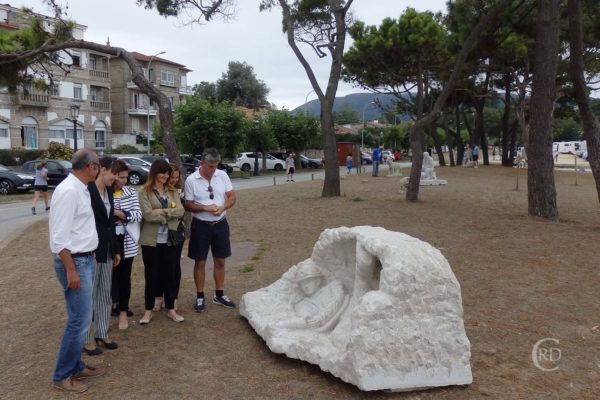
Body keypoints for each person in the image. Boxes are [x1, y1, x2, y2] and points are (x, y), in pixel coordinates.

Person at [49, 149, 104, 393]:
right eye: (99, 164)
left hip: (84, 260)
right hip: (75, 263)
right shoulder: (68, 191)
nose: (100, 168)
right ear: (91, 166)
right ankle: (62, 375)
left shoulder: (80, 188)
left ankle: (76, 365)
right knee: (79, 321)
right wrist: (71, 270)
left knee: (82, 317)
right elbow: (59, 239)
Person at [184, 148, 237, 312]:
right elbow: (188, 204)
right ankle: (200, 296)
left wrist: (223, 207)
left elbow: (232, 197)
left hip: (220, 223)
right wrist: (205, 208)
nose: (213, 169)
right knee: (200, 261)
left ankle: (219, 294)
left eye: (215, 166)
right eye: (210, 166)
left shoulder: (222, 175)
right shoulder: (191, 180)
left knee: (220, 260)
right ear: (202, 163)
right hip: (200, 225)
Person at [138, 159, 185, 324]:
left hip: (170, 240)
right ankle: (148, 311)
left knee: (170, 275)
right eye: (162, 172)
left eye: (167, 173)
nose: (165, 176)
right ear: (154, 173)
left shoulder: (172, 191)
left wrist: (163, 211)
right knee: (152, 276)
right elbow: (148, 215)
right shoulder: (144, 191)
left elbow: (181, 211)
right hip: (151, 242)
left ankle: (171, 309)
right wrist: (168, 214)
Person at [84, 157, 120, 356]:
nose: (115, 178)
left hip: (107, 249)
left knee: (105, 293)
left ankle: (102, 331)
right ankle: (87, 337)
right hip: (90, 250)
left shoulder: (109, 192)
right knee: (89, 295)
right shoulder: (87, 190)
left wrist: (115, 250)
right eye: (113, 173)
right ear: (102, 170)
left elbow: (111, 223)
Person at [110, 159, 142, 330]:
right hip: (108, 241)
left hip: (127, 240)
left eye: (126, 177)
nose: (124, 180)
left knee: (124, 277)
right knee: (109, 277)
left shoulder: (130, 192)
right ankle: (113, 303)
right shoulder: (104, 191)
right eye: (121, 177)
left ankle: (123, 311)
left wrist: (118, 214)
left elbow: (137, 215)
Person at [152, 163, 185, 312]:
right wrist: (171, 211)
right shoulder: (158, 191)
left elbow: (181, 211)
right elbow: (151, 212)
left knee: (173, 267)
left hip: (176, 232)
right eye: (171, 176)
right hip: (160, 234)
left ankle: (173, 297)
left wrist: (164, 211)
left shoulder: (180, 192)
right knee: (158, 267)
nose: (172, 179)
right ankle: (158, 296)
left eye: (176, 177)